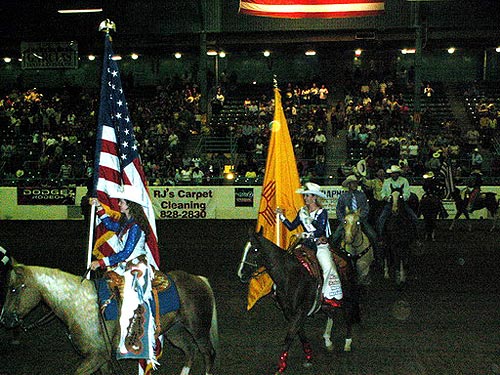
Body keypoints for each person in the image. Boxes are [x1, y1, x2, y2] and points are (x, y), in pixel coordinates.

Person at [90, 185, 158, 362]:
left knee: (132, 301)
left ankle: (134, 339)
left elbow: (126, 253)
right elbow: (111, 225)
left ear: (129, 205)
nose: (118, 204)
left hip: (136, 267)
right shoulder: (126, 222)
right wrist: (99, 207)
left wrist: (102, 262)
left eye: (121, 202)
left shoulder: (135, 226)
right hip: (125, 266)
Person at [276, 182, 343, 308]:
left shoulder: (322, 212)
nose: (305, 198)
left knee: (327, 266)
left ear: (314, 197)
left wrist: (306, 233)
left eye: (308, 196)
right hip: (305, 244)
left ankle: (329, 295)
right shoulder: (302, 211)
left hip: (319, 244)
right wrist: (281, 216)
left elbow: (320, 230)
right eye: (305, 196)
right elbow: (292, 226)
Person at [331, 175, 378, 250]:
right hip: (347, 221)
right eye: (353, 183)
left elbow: (366, 208)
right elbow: (339, 210)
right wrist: (343, 220)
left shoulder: (362, 195)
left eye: (356, 183)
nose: (355, 185)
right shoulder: (343, 196)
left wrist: (360, 217)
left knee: (373, 236)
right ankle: (334, 253)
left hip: (360, 220)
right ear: (348, 185)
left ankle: (377, 257)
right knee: (335, 236)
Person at [377, 165, 419, 238]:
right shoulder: (386, 181)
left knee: (414, 217)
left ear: (398, 173)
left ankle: (416, 236)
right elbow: (382, 192)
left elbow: (407, 193)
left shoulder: (404, 181)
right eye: (393, 173)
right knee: (381, 218)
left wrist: (402, 198)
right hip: (389, 203)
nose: (394, 175)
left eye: (395, 173)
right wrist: (385, 197)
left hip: (402, 203)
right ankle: (380, 237)